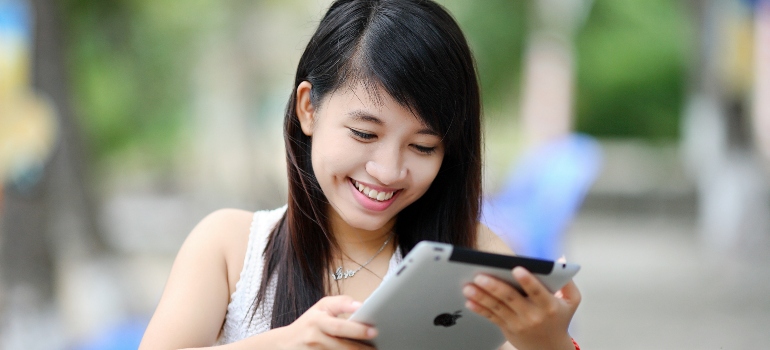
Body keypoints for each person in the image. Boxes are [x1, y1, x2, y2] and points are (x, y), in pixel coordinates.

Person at [139, 0, 581, 349]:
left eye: (423, 146)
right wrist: (284, 344)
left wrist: (548, 345)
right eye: (364, 133)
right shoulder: (230, 248)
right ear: (308, 108)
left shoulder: (468, 257)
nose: (388, 170)